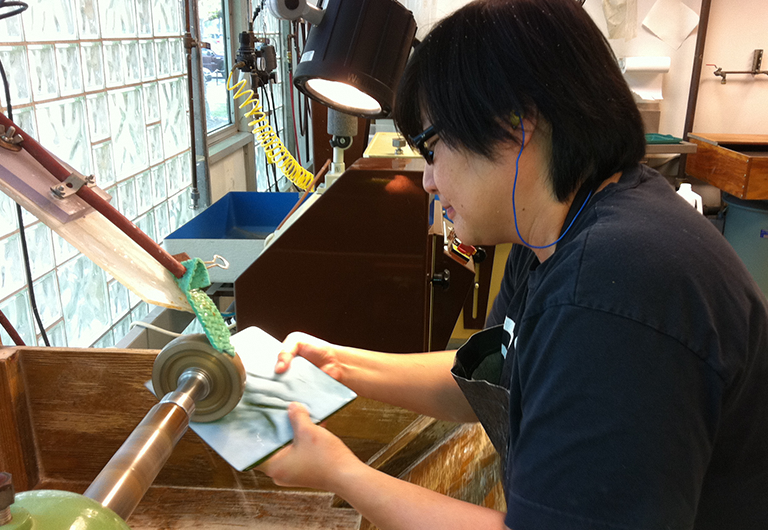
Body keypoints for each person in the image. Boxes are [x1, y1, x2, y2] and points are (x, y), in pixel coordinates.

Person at [257, 0, 768, 528]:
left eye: (432, 148)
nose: (429, 180)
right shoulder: (553, 235)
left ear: (516, 124)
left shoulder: (612, 292)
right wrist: (338, 366)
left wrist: (344, 473)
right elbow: (494, 379)